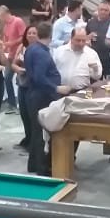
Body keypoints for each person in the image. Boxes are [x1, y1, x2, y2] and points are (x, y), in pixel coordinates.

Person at [24, 22, 71, 175]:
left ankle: (33, 164)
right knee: (41, 132)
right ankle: (41, 168)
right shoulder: (42, 53)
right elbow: (39, 77)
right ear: (50, 36)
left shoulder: (31, 49)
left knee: (35, 130)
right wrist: (56, 88)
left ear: (37, 33)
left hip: (33, 94)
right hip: (42, 95)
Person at [12, 25, 39, 150]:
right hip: (22, 84)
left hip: (32, 87)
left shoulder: (39, 49)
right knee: (23, 114)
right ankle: (27, 138)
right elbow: (14, 64)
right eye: (29, 33)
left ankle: (33, 142)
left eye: (34, 33)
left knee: (31, 114)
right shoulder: (22, 47)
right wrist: (18, 68)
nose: (31, 35)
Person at [53, 27, 102, 91]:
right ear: (71, 39)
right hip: (62, 90)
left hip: (82, 91)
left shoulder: (91, 53)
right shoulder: (59, 51)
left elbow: (97, 77)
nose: (81, 43)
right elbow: (51, 71)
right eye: (78, 40)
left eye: (83, 40)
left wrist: (95, 69)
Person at [0, 6, 25, 112]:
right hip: (11, 55)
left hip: (19, 56)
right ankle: (12, 103)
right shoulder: (6, 26)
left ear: (3, 14)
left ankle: (21, 103)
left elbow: (23, 38)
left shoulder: (18, 21)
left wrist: (10, 43)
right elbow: (7, 41)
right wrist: (4, 46)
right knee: (7, 78)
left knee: (20, 79)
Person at [86, 0, 110, 78]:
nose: (103, 12)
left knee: (109, 80)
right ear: (97, 10)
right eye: (101, 9)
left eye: (106, 10)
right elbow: (85, 37)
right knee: (95, 79)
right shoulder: (91, 22)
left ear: (109, 11)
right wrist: (88, 37)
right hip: (94, 57)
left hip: (109, 57)